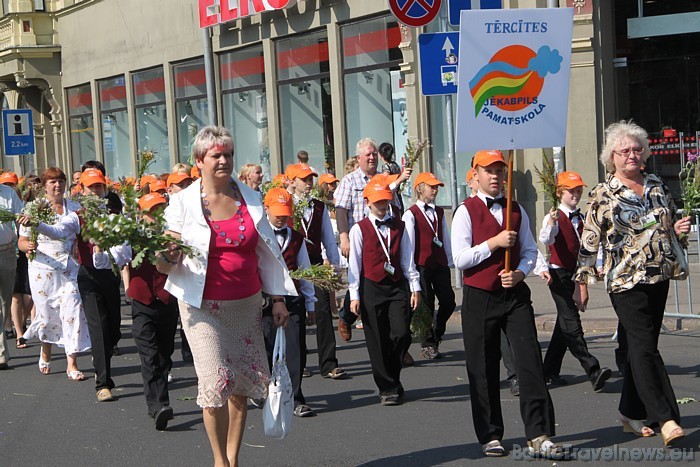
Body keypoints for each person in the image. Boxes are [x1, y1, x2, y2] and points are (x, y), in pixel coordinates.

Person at [158, 125, 296, 467]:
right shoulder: (181, 203)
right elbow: (163, 263)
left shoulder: (250, 199)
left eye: (228, 154)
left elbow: (268, 253)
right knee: (216, 378)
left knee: (241, 383)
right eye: (216, 155)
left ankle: (233, 458)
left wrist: (277, 298)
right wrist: (169, 254)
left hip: (246, 304)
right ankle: (219, 461)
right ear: (199, 161)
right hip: (201, 305)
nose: (223, 160)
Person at [574, 121, 690, 446]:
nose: (632, 155)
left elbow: (661, 221)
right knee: (645, 348)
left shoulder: (655, 184)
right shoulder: (603, 193)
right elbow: (589, 242)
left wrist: (679, 229)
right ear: (612, 156)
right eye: (625, 150)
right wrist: (581, 282)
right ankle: (666, 417)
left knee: (643, 347)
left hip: (659, 275)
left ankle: (628, 410)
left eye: (637, 149)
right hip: (624, 280)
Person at [452, 150, 560, 458]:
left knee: (529, 362)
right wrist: (493, 244)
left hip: (514, 297)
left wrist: (520, 272)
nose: (495, 176)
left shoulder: (517, 210)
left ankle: (538, 433)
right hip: (479, 296)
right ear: (476, 175)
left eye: (500, 170)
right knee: (483, 367)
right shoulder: (465, 211)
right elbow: (460, 258)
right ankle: (490, 434)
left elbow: (530, 251)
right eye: (489, 170)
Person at [27, 169, 128, 401]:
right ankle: (102, 383)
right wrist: (37, 224)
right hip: (84, 276)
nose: (94, 191)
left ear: (104, 190)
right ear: (81, 190)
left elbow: (125, 245)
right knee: (98, 327)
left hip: (109, 276)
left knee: (112, 331)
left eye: (98, 187)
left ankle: (103, 355)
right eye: (90, 187)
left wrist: (114, 256)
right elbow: (57, 231)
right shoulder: (76, 215)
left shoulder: (113, 213)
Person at [348, 179, 420, 406]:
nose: (382, 205)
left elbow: (408, 257)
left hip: (397, 284)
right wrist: (354, 295)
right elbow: (355, 265)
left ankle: (393, 376)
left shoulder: (400, 225)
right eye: (378, 201)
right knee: (377, 339)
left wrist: (415, 286)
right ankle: (387, 387)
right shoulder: (359, 229)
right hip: (371, 286)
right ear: (367, 202)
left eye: (385, 201)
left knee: (401, 334)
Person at [538, 171, 612, 390]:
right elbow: (545, 238)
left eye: (578, 190)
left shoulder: (581, 216)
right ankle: (592, 369)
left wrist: (597, 264)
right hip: (559, 275)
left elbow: (590, 243)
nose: (576, 194)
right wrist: (551, 223)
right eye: (571, 190)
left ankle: (547, 371)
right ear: (560, 192)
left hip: (577, 272)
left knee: (563, 325)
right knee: (571, 323)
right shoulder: (554, 216)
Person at [18, 168, 90, 379]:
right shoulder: (32, 208)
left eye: (60, 181)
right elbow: (21, 241)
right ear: (44, 185)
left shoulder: (75, 208)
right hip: (42, 269)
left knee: (72, 311)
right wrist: (27, 246)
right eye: (52, 182)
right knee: (47, 315)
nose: (57, 185)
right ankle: (46, 349)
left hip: (69, 268)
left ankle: (72, 363)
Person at [287, 164, 346, 380]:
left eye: (311, 179)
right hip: (292, 266)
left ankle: (329, 363)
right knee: (297, 315)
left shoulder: (319, 207)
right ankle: (298, 362)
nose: (309, 183)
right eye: (304, 179)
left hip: (315, 263)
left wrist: (336, 267)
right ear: (291, 182)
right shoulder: (285, 205)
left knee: (322, 311)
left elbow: (329, 238)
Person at [262, 187, 317, 417]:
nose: (282, 217)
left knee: (295, 349)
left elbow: (304, 269)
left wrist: (311, 303)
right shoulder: (258, 235)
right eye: (277, 212)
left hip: (293, 299)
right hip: (263, 302)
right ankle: (266, 393)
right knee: (265, 348)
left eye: (285, 212)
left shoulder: (296, 237)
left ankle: (295, 397)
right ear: (266, 210)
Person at [128, 192, 178, 430]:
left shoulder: (174, 234)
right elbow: (118, 256)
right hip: (142, 301)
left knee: (165, 353)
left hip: (167, 300)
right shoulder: (130, 234)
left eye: (159, 210)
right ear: (141, 214)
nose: (155, 216)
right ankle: (159, 406)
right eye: (151, 211)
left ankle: (159, 399)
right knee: (149, 355)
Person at [402, 172, 455, 360]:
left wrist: (450, 259)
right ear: (419, 188)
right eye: (431, 186)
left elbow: (444, 236)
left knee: (449, 301)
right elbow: (408, 244)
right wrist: (411, 270)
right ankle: (428, 343)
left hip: (439, 262)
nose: (435, 189)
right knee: (426, 304)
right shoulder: (411, 214)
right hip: (422, 264)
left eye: (436, 186)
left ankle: (437, 332)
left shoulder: (439, 212)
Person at [0, 179, 23, 370]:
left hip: (7, 251)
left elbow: (21, 217)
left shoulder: (8, 193)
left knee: (5, 301)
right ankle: (1, 352)